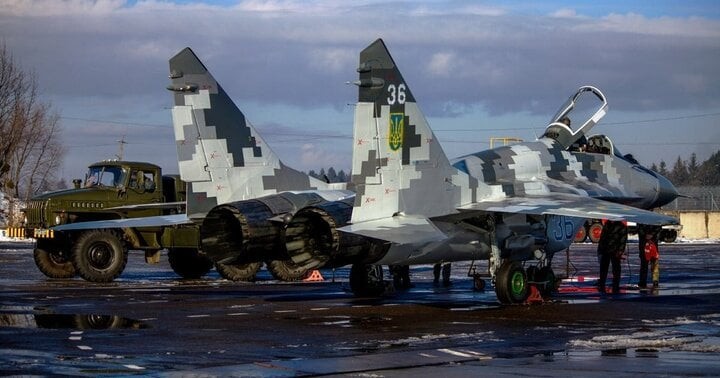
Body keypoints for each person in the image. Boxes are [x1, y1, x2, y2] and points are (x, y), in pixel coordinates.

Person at [597, 220, 628, 294]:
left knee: (616, 268)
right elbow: (602, 237)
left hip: (615, 250)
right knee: (603, 268)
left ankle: (616, 285)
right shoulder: (607, 224)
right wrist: (600, 249)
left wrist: (620, 250)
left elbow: (623, 240)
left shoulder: (622, 226)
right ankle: (602, 283)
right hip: (606, 249)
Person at [637, 224, 659, 289]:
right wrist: (646, 235)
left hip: (653, 245)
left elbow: (658, 228)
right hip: (644, 246)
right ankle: (643, 281)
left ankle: (654, 281)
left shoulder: (655, 220)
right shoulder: (641, 220)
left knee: (654, 264)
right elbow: (639, 229)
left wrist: (651, 235)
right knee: (644, 265)